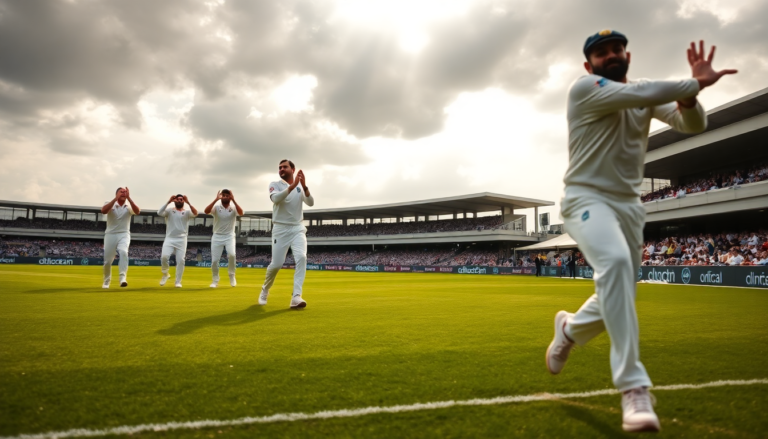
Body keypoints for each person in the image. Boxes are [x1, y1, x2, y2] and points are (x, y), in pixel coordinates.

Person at [545, 30, 735, 433]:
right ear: (588, 65)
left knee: (618, 290)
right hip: (586, 200)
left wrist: (688, 96)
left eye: (617, 49)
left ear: (626, 54)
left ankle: (569, 330)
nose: (611, 55)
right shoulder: (585, 90)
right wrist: (692, 82)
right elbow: (644, 93)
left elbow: (694, 124)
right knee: (613, 264)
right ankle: (633, 387)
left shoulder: (644, 96)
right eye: (601, 53)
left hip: (629, 208)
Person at [258, 160, 314, 309]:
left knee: (302, 257)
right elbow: (275, 199)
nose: (281, 169)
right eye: (280, 167)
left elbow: (311, 203)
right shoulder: (275, 184)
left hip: (297, 227)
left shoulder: (300, 187)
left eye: (285, 167)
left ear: (293, 169)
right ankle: (265, 290)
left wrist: (304, 186)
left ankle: (296, 296)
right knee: (276, 265)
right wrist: (293, 186)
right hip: (280, 228)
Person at [101, 187, 140, 288]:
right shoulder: (109, 202)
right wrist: (115, 199)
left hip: (124, 234)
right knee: (107, 261)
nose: (123, 193)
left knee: (123, 252)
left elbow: (137, 211)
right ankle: (106, 281)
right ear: (116, 193)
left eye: (125, 192)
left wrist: (130, 198)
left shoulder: (128, 206)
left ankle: (122, 278)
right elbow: (104, 211)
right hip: (110, 234)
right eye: (121, 192)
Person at [204, 189, 244, 288]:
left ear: (230, 197)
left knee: (232, 255)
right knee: (214, 261)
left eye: (227, 195)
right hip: (217, 236)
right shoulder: (217, 208)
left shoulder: (233, 208)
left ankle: (231, 275)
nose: (225, 197)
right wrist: (215, 199)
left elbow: (241, 213)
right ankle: (215, 280)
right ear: (221, 196)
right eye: (223, 195)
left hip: (229, 236)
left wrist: (234, 200)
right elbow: (206, 211)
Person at [158, 194, 198, 288]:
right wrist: (168, 201)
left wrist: (188, 202)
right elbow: (159, 213)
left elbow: (195, 213)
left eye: (181, 199)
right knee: (164, 257)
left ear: (183, 201)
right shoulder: (169, 210)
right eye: (177, 199)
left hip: (182, 239)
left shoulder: (187, 212)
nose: (179, 200)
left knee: (180, 260)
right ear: (174, 200)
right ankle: (165, 274)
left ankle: (178, 281)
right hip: (170, 238)